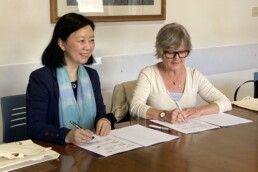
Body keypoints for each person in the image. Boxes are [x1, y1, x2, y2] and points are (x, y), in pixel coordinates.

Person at [26, 13, 116, 145]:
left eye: (91, 40)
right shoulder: (41, 78)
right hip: (56, 151)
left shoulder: (92, 76)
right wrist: (67, 135)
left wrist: (105, 121)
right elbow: (34, 127)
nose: (88, 47)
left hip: (90, 148)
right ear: (62, 44)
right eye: (81, 41)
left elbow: (100, 114)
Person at [130, 23, 232, 123]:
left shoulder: (194, 75)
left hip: (187, 135)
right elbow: (135, 106)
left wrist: (198, 111)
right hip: (157, 135)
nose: (177, 58)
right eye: (170, 52)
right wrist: (164, 115)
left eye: (182, 52)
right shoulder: (148, 74)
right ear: (161, 51)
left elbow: (225, 102)